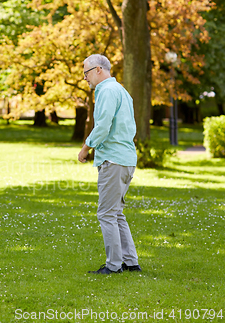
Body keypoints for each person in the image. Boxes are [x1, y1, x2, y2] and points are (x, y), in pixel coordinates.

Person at [78, 54, 142, 274]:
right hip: (126, 159)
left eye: (86, 72)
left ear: (98, 70)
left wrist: (87, 146)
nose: (84, 77)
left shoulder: (106, 91)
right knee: (116, 213)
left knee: (106, 213)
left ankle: (113, 266)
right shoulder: (122, 91)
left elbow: (103, 125)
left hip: (113, 159)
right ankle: (131, 262)